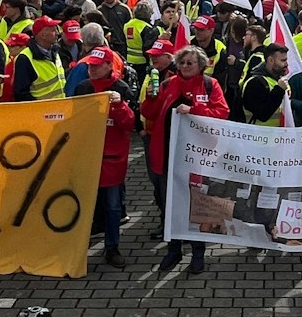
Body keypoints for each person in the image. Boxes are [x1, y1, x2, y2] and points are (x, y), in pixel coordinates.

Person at [147, 46, 226, 275]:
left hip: (196, 158)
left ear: (201, 65)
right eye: (181, 63)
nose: (184, 67)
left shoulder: (210, 85)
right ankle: (173, 250)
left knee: (196, 207)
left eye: (190, 63)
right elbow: (149, 113)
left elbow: (221, 113)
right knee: (169, 205)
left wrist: (194, 109)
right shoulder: (166, 85)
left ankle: (198, 253)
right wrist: (150, 99)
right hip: (167, 156)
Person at [92, 58, 133, 269]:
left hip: (111, 160)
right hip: (88, 158)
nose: (92, 69)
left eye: (96, 65)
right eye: (90, 66)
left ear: (109, 66)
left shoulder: (121, 89)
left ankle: (112, 247)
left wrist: (119, 105)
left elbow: (129, 123)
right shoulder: (83, 88)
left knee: (113, 207)